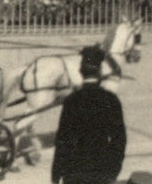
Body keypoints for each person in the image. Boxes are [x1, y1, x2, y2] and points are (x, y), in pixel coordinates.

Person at [51, 45, 126, 184]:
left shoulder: (71, 100)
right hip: (102, 173)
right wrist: (112, 172)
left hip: (74, 174)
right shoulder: (111, 100)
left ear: (81, 71)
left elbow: (62, 140)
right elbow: (119, 140)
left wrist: (56, 175)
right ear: (100, 71)